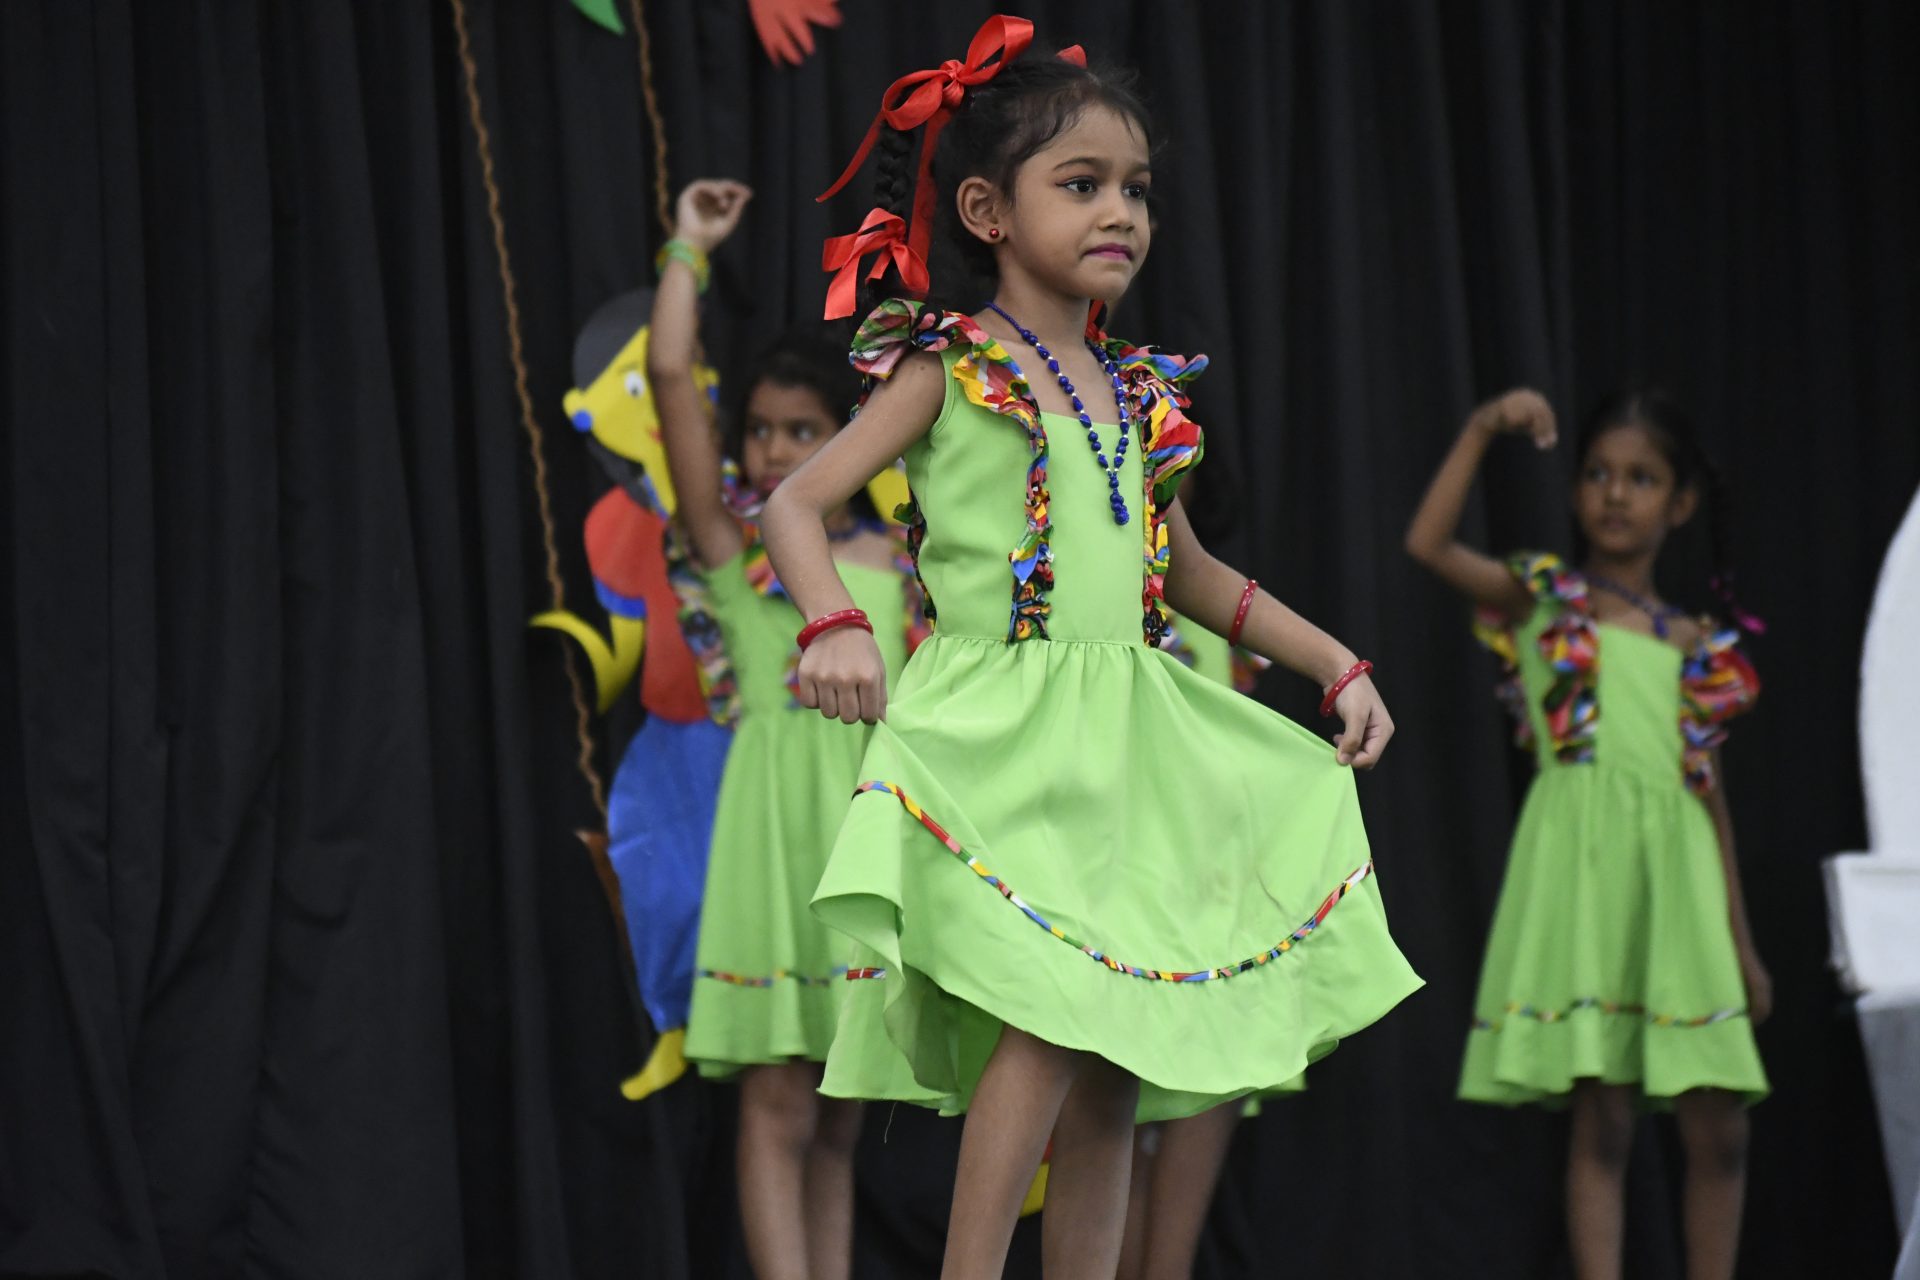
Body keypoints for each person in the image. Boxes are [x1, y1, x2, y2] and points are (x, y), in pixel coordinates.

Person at [760, 21, 1421, 1277]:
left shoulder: (1139, 391)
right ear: (987, 211)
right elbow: (796, 502)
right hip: (1004, 738)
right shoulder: (949, 367)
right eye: (1082, 183)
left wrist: (1336, 660)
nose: (1120, 210)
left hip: (1124, 744)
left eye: (1137, 188)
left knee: (1116, 1044)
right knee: (1050, 1018)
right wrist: (836, 622)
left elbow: (1194, 575)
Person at [1405, 386, 1769, 1280]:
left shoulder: (1695, 645)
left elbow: (1710, 796)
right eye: (1600, 474)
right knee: (1602, 1115)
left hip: (1677, 885)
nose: (1616, 494)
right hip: (1584, 876)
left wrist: (1741, 941)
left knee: (1720, 1124)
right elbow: (1429, 543)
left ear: (1680, 503)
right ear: (1574, 491)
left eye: (1642, 479)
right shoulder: (1547, 602)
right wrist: (1482, 427)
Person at [651, 178, 925, 1280]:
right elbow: (672, 377)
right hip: (774, 854)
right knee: (777, 1105)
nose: (773, 451)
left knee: (841, 1117)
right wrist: (689, 248)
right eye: (761, 431)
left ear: (853, 437)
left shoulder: (908, 564)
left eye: (802, 432)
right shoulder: (737, 552)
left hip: (869, 840)